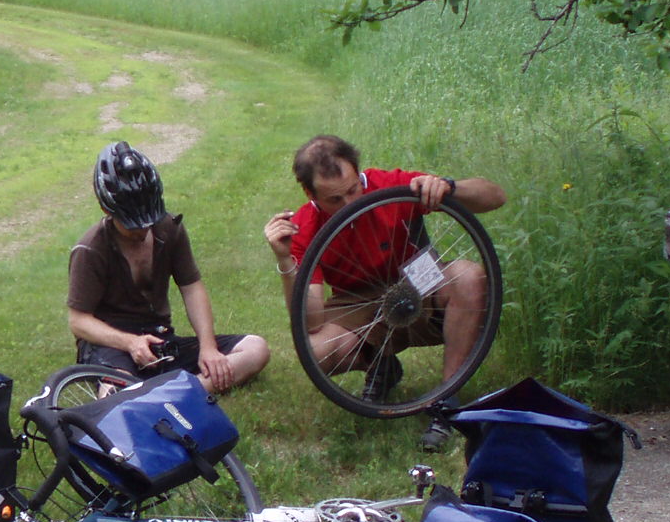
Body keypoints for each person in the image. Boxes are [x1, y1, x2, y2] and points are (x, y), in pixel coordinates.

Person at [264, 134, 505, 402]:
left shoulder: (391, 186)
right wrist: (285, 261)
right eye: (334, 200)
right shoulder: (304, 226)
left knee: (468, 276)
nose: (350, 205)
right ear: (309, 194)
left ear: (359, 172)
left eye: (354, 189)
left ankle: (446, 399)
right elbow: (309, 322)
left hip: (417, 283)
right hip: (356, 301)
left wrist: (447, 187)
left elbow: (496, 197)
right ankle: (381, 363)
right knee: (314, 351)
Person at [67, 142, 270, 395]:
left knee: (255, 349)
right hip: (112, 346)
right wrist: (130, 343)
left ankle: (169, 395)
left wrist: (208, 348)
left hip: (160, 339)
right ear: (107, 209)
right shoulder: (90, 249)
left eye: (148, 220)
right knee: (116, 391)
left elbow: (192, 287)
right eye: (132, 224)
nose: (143, 230)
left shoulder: (169, 229)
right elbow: (78, 321)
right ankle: (170, 393)